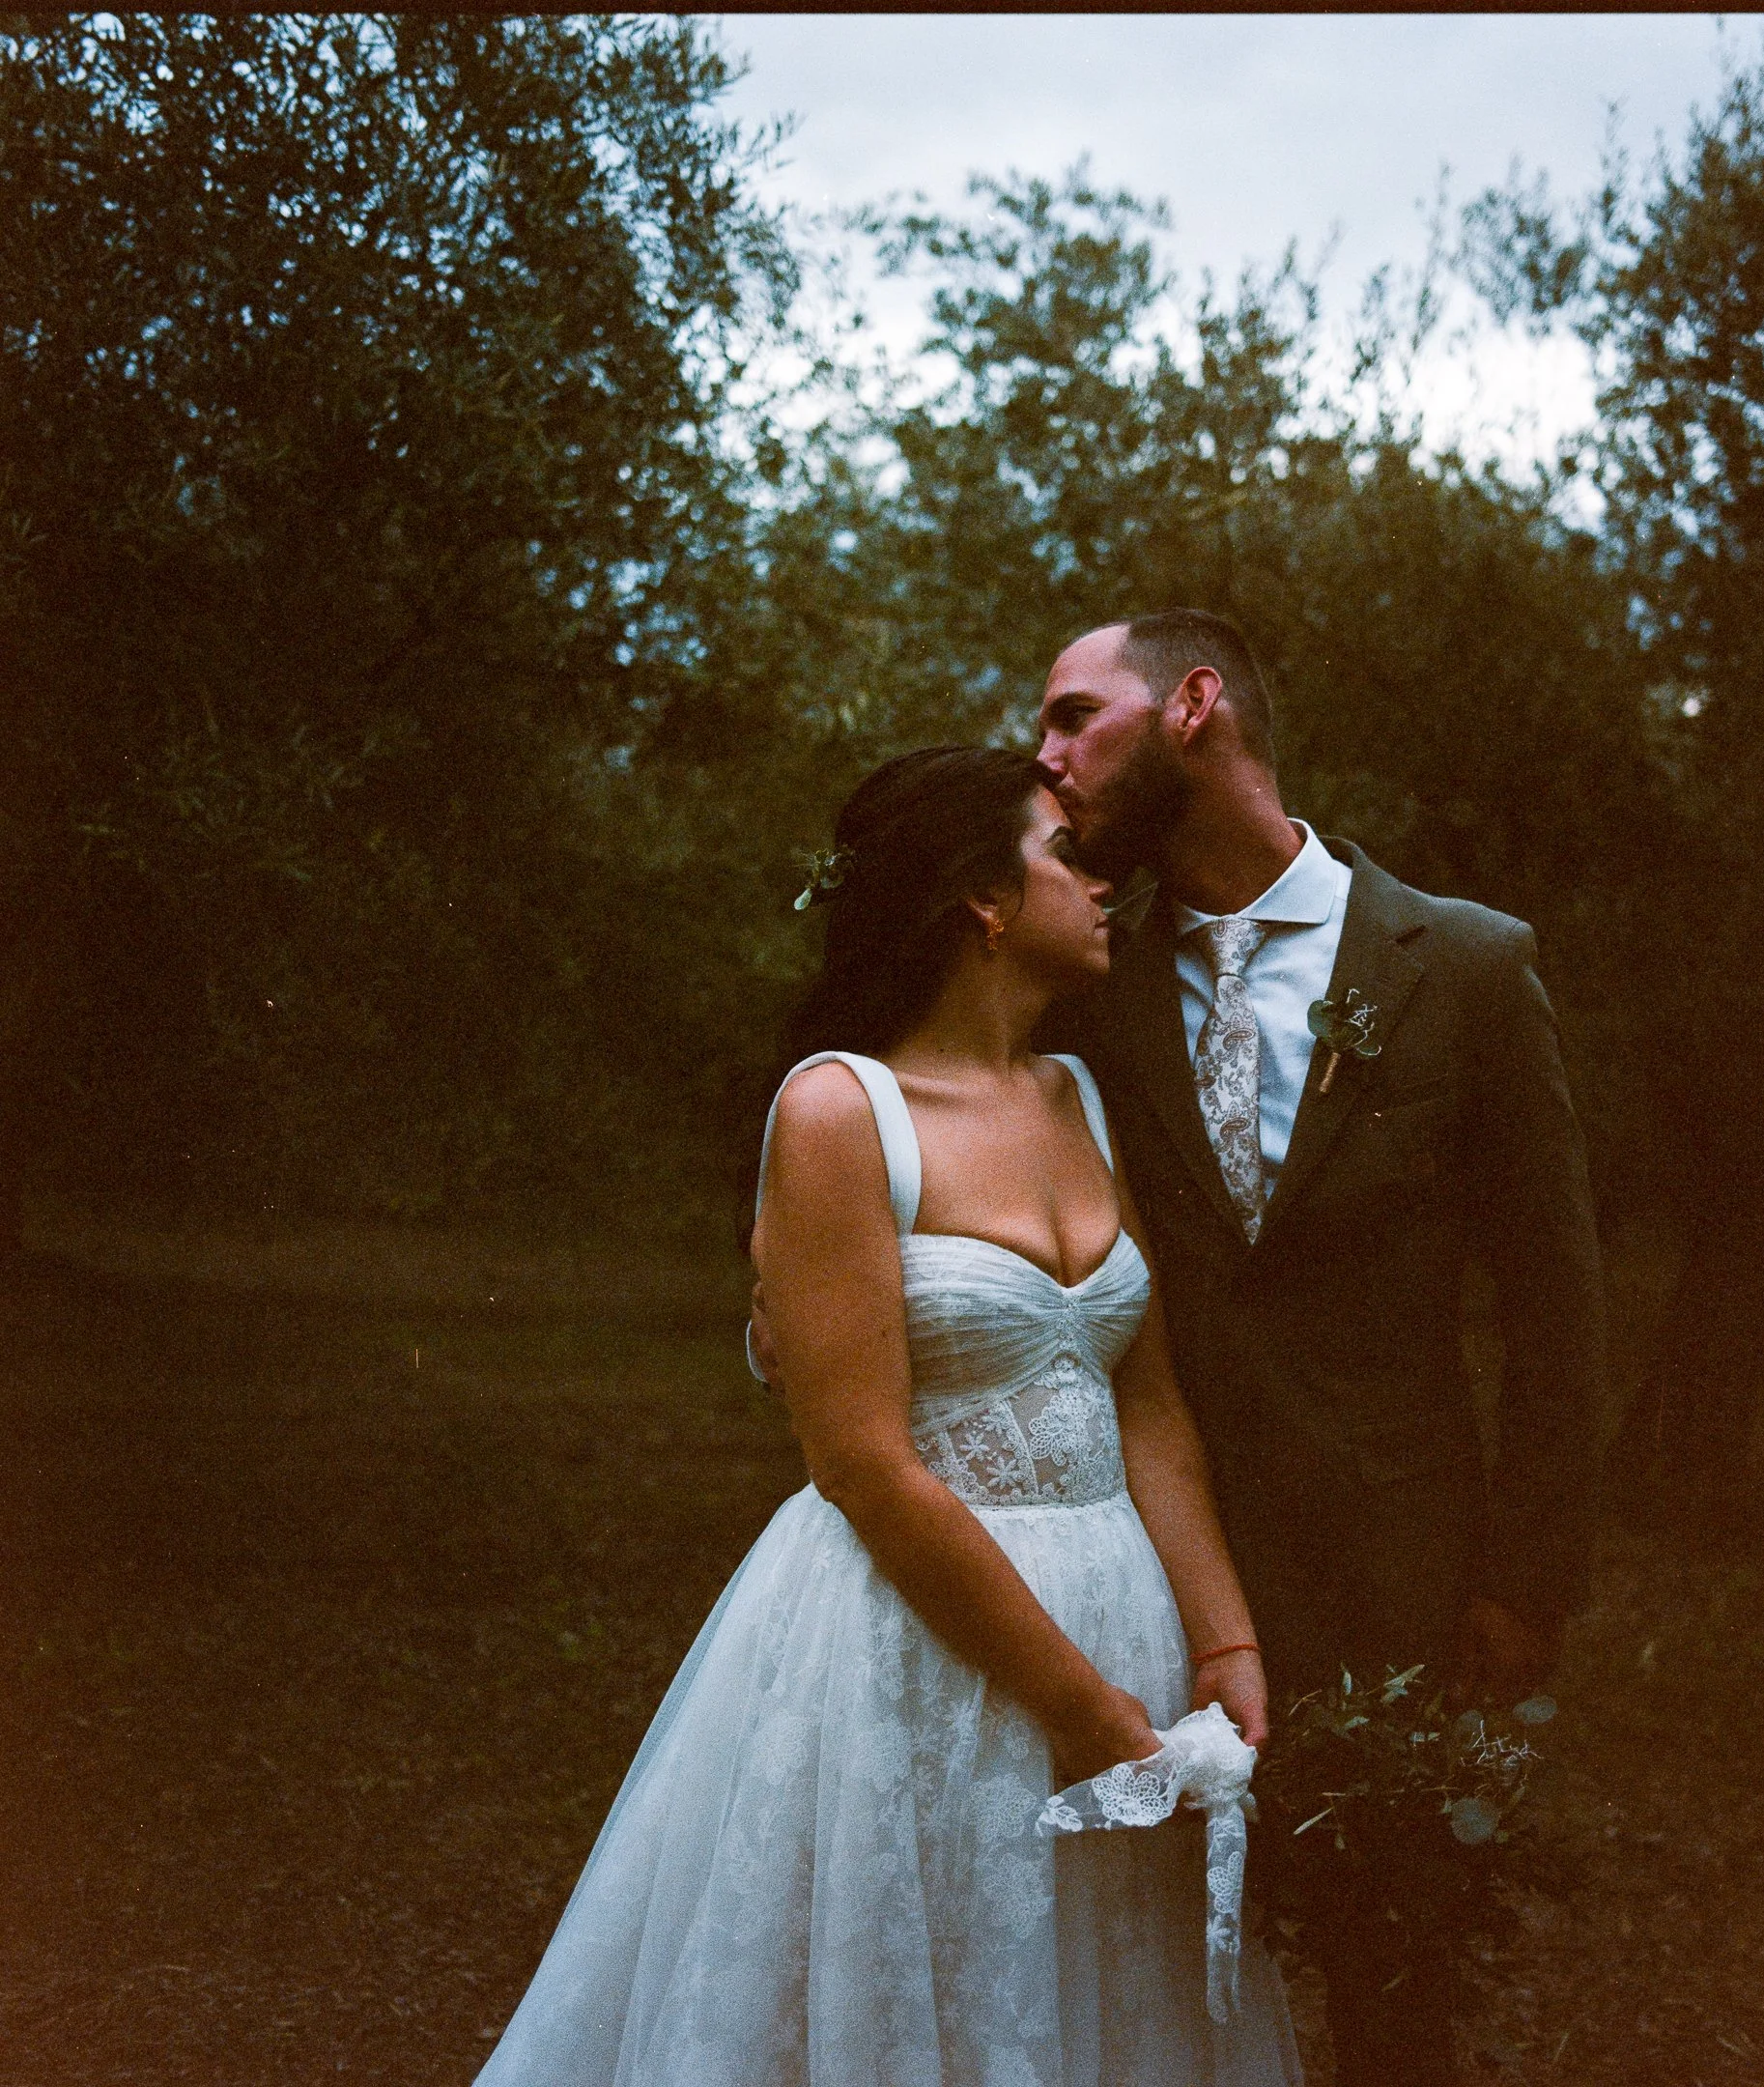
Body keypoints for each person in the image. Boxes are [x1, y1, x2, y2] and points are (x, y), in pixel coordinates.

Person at [476, 745, 1300, 2087]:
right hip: (924, 1652)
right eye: (1063, 854)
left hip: (1124, 1614)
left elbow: (1146, 1402)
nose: (1103, 883)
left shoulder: (1079, 1097)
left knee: (1098, 2007)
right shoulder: (836, 1111)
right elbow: (862, 1462)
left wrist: (1222, 1637)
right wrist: (1084, 1715)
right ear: (980, 897)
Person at [1033, 610, 1607, 2086]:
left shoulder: (1467, 968)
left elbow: (1557, 1304)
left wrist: (1524, 1576)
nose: (1045, 758)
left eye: (1073, 716)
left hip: (1395, 1579)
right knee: (1142, 1967)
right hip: (1149, 1563)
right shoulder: (1080, 978)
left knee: (1390, 1986)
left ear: (1194, 708)